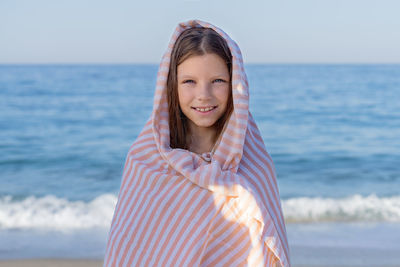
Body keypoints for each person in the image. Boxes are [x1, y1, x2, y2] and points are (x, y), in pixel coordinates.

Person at [103, 19, 291, 267]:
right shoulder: (146, 158)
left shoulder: (254, 163)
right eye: (189, 81)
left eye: (218, 81)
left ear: (236, 85)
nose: (204, 94)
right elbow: (129, 249)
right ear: (172, 86)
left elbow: (270, 250)